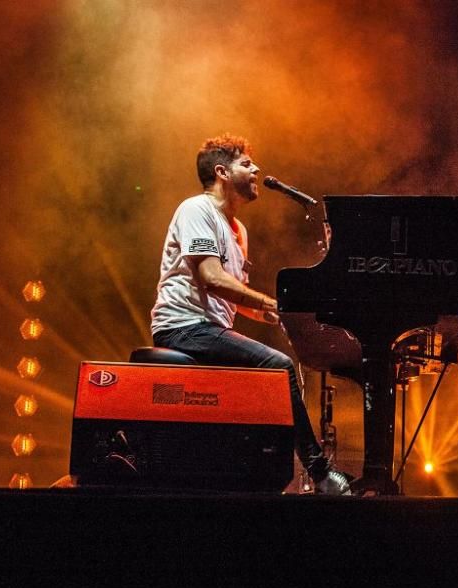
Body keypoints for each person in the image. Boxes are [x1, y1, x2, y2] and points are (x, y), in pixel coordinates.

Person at [150, 134, 351, 495]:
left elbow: (235, 294)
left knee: (277, 368)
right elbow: (211, 279)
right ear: (222, 172)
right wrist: (268, 303)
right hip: (182, 327)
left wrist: (276, 315)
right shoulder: (196, 210)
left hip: (207, 328)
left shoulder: (238, 230)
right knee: (280, 366)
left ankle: (257, 474)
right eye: (246, 163)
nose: (256, 169)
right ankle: (321, 473)